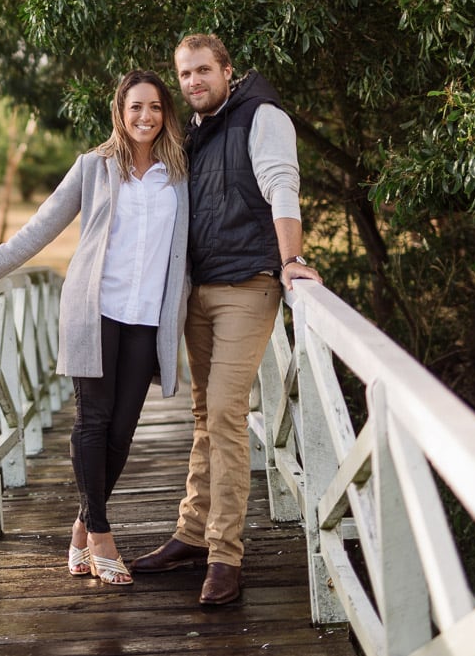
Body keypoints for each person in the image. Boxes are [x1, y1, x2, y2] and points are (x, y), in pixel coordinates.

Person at [0, 70, 190, 586]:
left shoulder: (180, 174)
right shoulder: (93, 169)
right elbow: (37, 231)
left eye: (156, 107)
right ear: (119, 112)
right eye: (136, 107)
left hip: (147, 316)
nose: (146, 116)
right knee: (93, 422)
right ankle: (100, 534)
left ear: (167, 114)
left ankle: (80, 526)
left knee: (122, 432)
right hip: (94, 311)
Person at [129, 34, 322, 605]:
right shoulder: (194, 130)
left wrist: (292, 260)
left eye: (203, 71)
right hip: (200, 291)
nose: (192, 82)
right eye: (184, 74)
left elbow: (282, 186)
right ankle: (192, 532)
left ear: (227, 71)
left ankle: (225, 554)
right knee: (202, 415)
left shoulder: (260, 116)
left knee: (225, 412)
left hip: (248, 286)